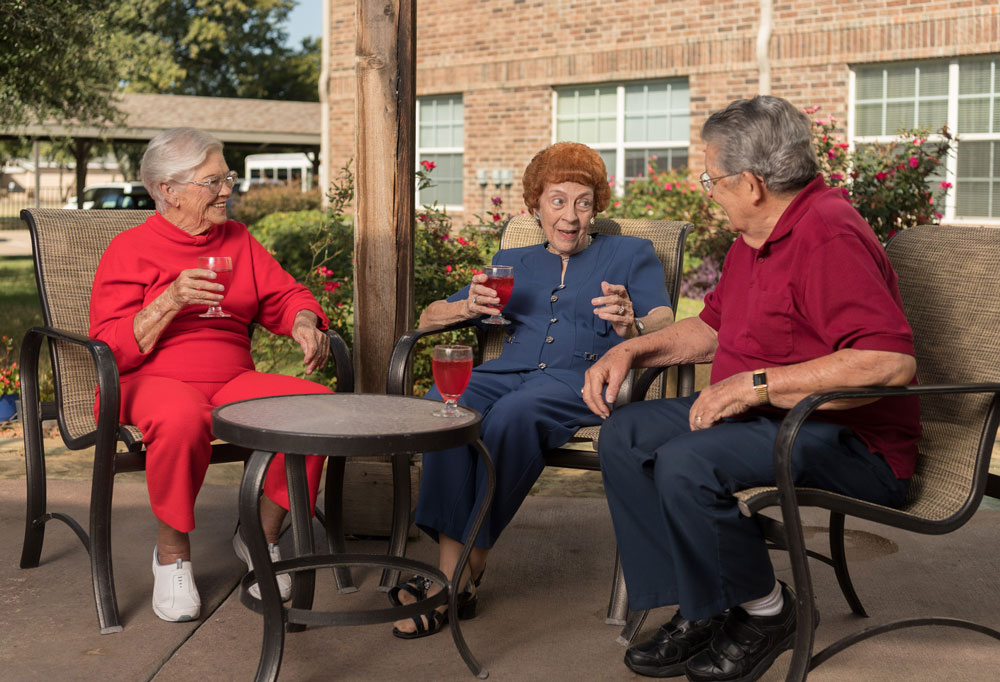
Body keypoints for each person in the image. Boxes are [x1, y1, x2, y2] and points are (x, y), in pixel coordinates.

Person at [582, 96, 921, 682]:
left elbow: (888, 363)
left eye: (712, 178)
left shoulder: (828, 235)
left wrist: (757, 384)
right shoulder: (755, 238)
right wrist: (632, 348)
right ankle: (703, 606)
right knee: (625, 434)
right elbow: (711, 326)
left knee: (686, 462)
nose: (708, 190)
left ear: (753, 183)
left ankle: (767, 611)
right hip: (773, 420)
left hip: (849, 440)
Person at [390, 141, 675, 639]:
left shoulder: (630, 252)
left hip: (580, 378)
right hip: (505, 374)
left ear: (596, 206)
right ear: (536, 206)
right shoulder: (512, 260)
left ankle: (454, 575)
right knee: (446, 411)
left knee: (513, 415)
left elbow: (663, 317)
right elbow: (430, 315)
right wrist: (467, 307)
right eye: (558, 200)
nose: (570, 215)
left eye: (583, 201)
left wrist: (633, 324)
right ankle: (461, 579)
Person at [89, 127, 333, 623]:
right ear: (167, 191)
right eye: (213, 180)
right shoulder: (129, 249)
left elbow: (286, 296)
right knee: (182, 417)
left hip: (231, 378)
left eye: (228, 178)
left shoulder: (238, 239)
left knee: (318, 408)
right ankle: (172, 552)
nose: (228, 190)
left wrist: (304, 322)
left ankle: (260, 538)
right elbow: (109, 347)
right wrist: (171, 299)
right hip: (149, 379)